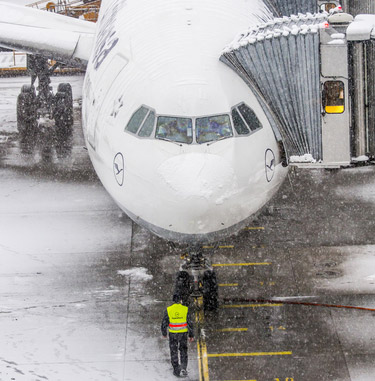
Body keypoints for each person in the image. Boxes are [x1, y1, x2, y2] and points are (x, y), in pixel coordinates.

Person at [161, 295, 194, 378]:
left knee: (173, 351)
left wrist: (164, 333)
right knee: (183, 350)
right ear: (180, 300)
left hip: (173, 334)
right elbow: (190, 323)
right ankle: (183, 367)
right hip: (183, 334)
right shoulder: (185, 309)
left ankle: (176, 369)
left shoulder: (169, 310)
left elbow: (164, 323)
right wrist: (191, 335)